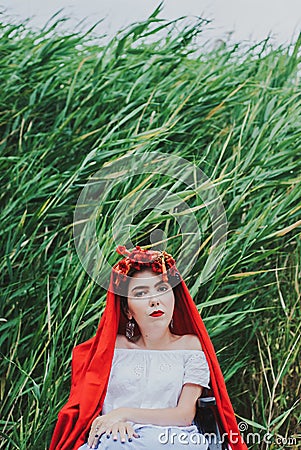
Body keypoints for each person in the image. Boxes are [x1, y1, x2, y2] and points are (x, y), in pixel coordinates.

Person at [50, 246, 248, 450]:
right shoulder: (112, 349)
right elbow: (88, 406)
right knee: (113, 445)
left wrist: (123, 413)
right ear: (127, 310)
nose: (154, 301)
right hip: (116, 436)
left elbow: (184, 415)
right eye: (141, 293)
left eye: (162, 289)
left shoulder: (190, 346)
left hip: (170, 438)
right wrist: (116, 421)